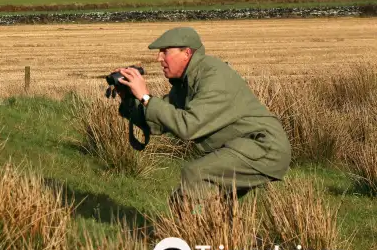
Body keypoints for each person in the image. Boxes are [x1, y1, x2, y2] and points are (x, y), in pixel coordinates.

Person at [113, 26, 292, 208]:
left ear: (187, 53)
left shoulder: (213, 76)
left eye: (165, 52)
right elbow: (157, 124)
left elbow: (188, 127)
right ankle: (215, 235)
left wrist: (146, 97)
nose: (159, 58)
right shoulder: (186, 83)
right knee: (181, 199)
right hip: (242, 147)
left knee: (196, 174)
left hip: (264, 146)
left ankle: (200, 234)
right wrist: (129, 99)